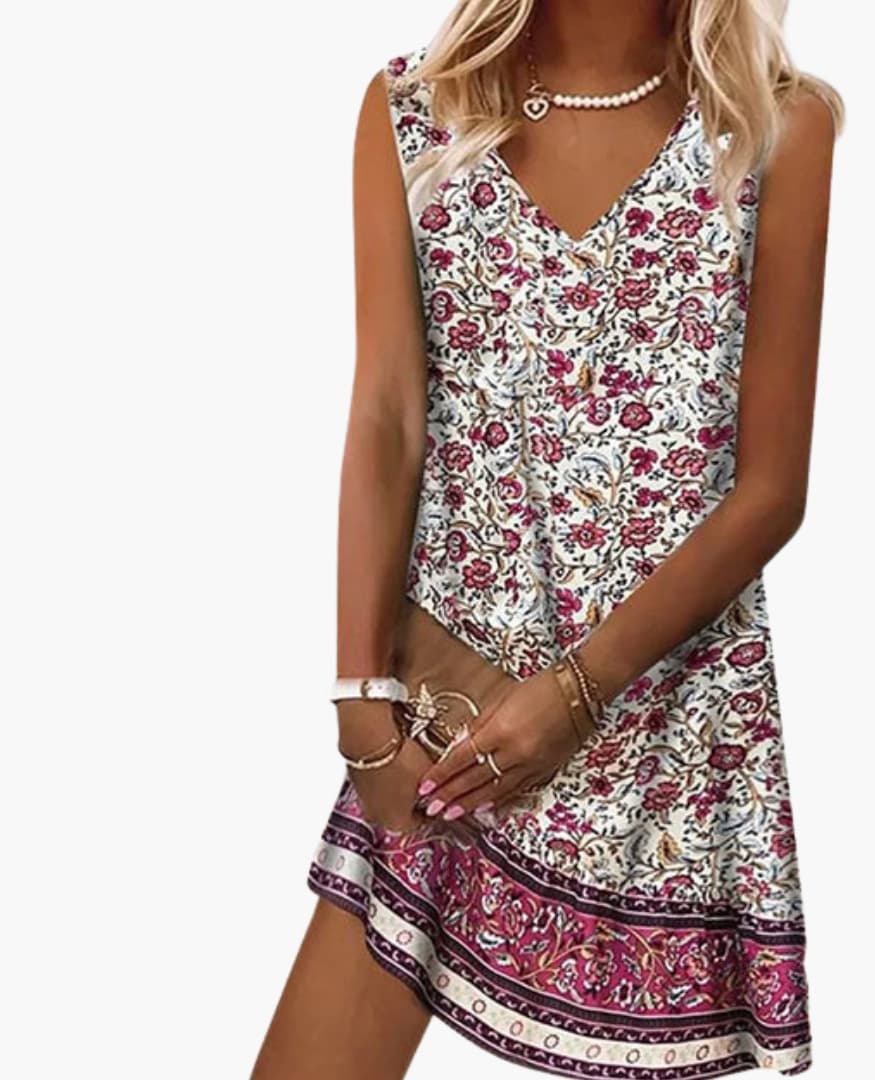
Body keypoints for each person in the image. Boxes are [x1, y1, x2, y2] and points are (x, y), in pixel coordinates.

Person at [252, 1, 840, 1077]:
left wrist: (577, 693)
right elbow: (386, 416)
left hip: (671, 727)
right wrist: (359, 702)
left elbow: (771, 493)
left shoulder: (775, 128)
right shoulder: (415, 111)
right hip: (455, 707)